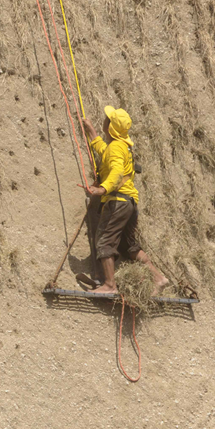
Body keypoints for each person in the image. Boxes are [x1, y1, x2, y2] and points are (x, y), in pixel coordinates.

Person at [80, 106, 169, 294]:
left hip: (117, 202)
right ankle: (158, 278)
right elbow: (105, 153)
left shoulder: (116, 148)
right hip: (129, 202)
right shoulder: (121, 146)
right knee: (127, 245)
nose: (105, 120)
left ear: (110, 127)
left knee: (104, 241)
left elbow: (117, 171)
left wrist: (102, 189)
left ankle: (109, 286)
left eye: (107, 119)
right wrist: (92, 132)